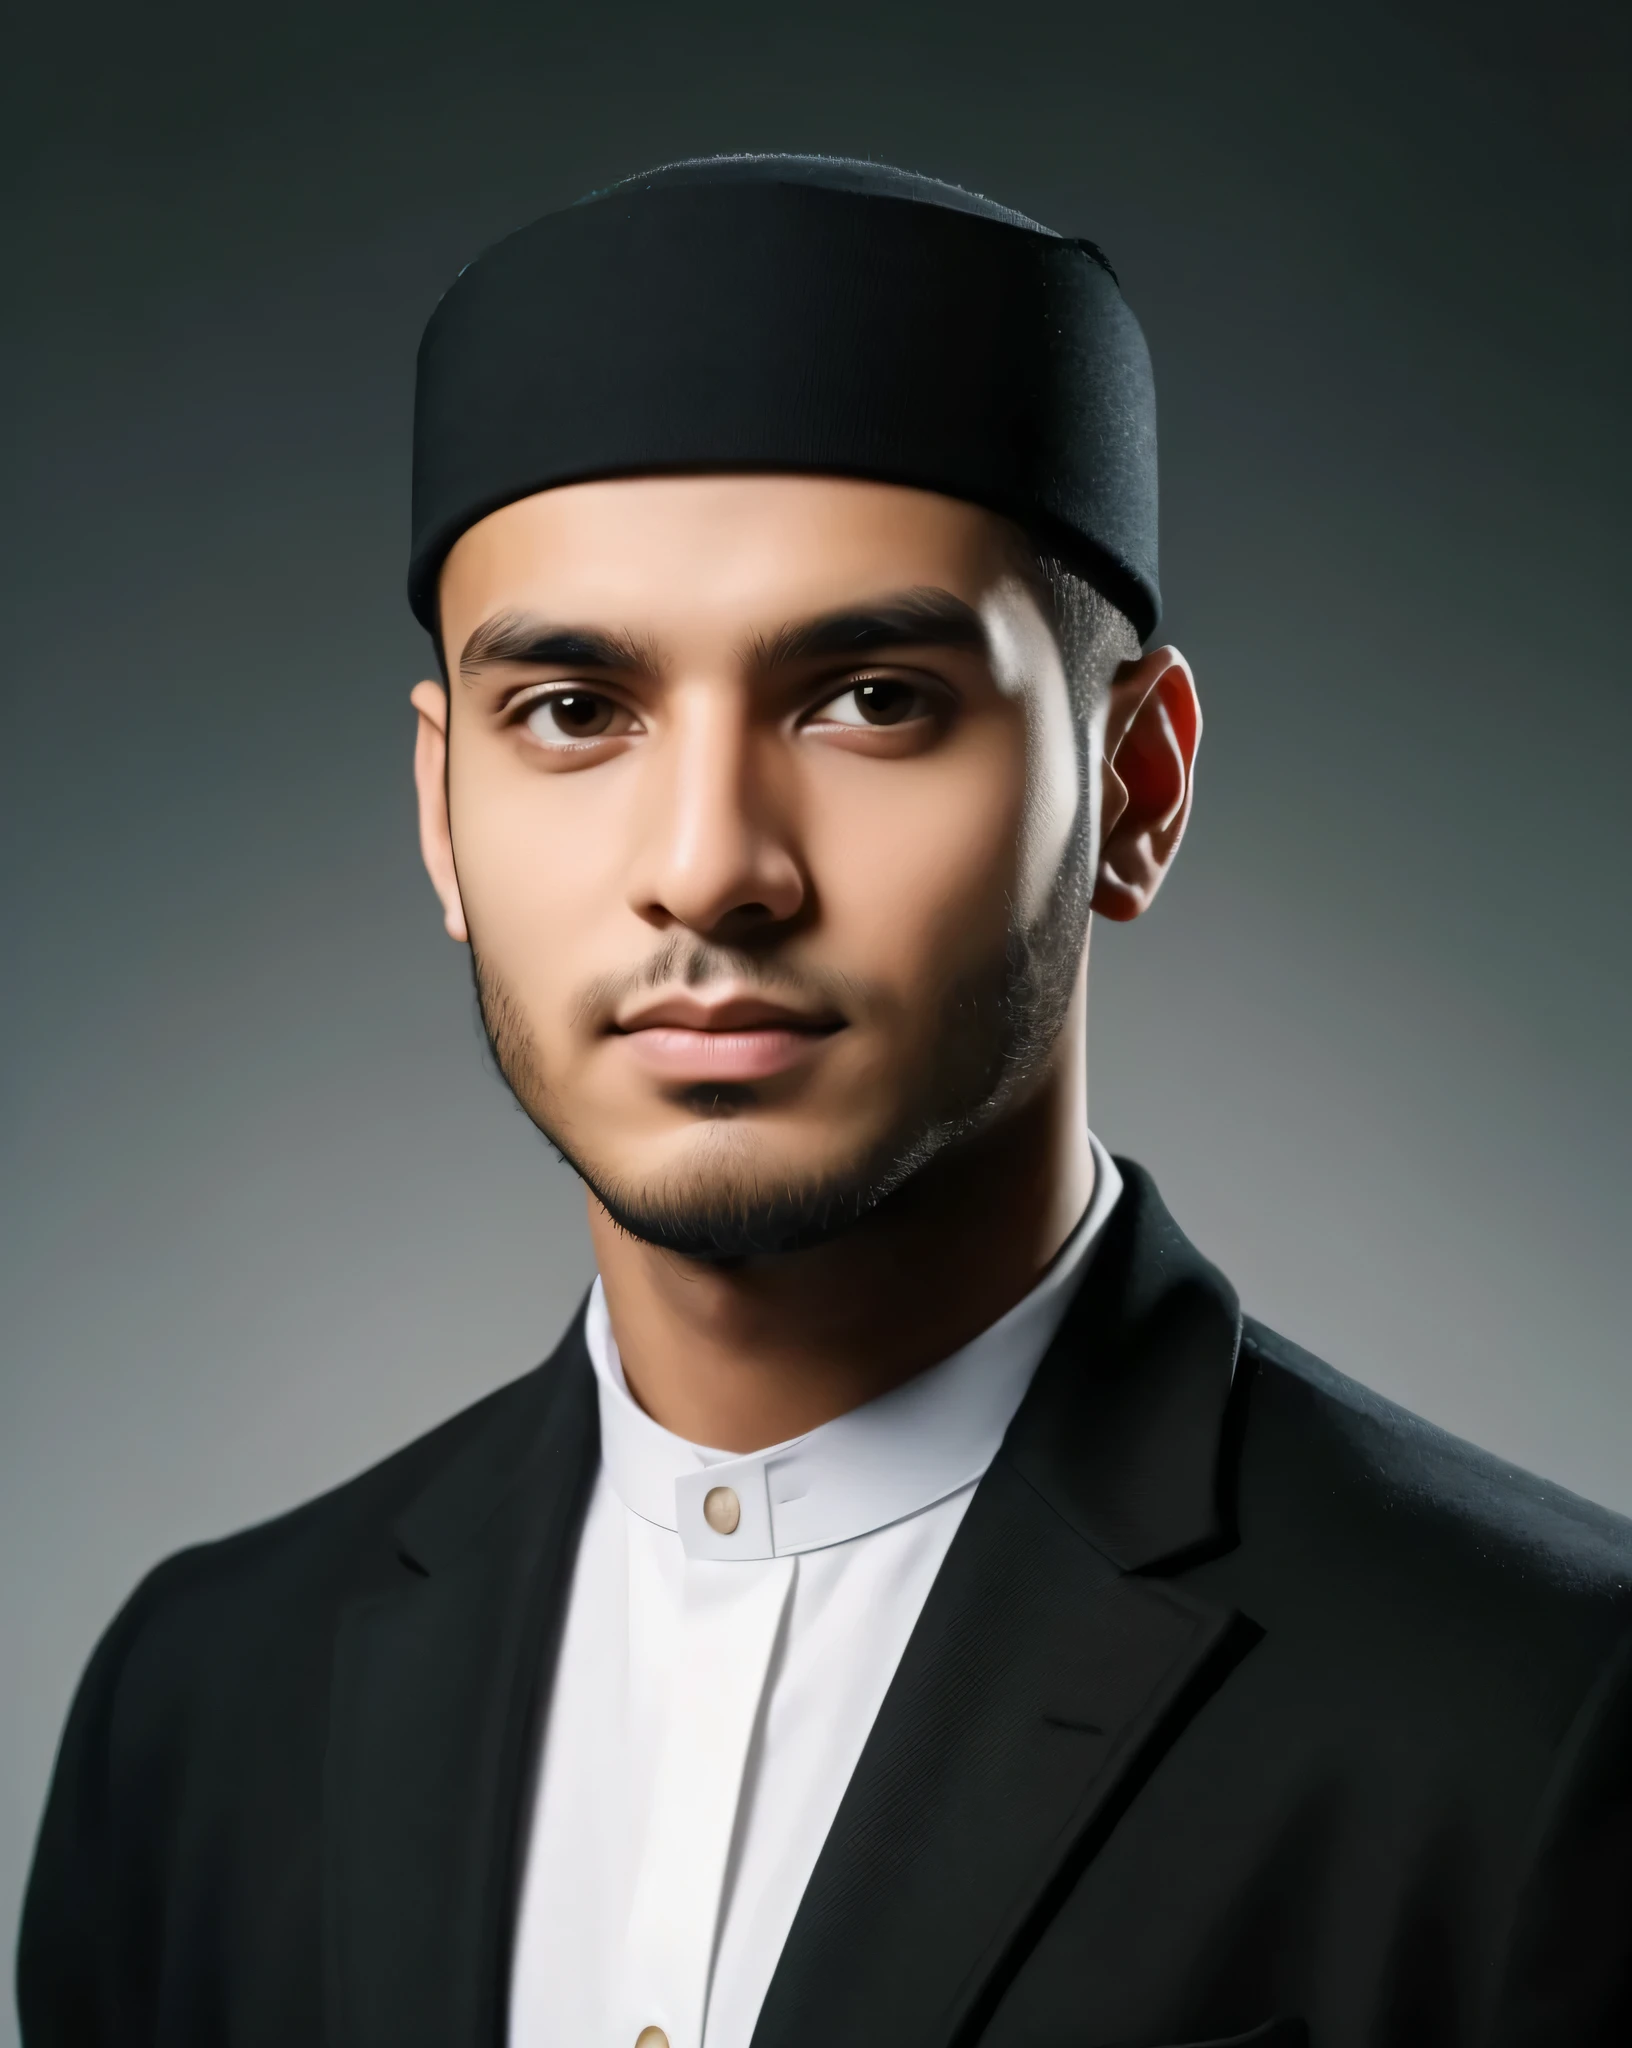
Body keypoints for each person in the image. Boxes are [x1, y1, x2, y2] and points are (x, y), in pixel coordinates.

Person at [16, 154, 1632, 2048]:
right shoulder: (200, 1707)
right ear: (440, 806)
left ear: (1139, 783)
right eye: (574, 711)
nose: (709, 869)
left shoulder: (1544, 1713)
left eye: (870, 698)